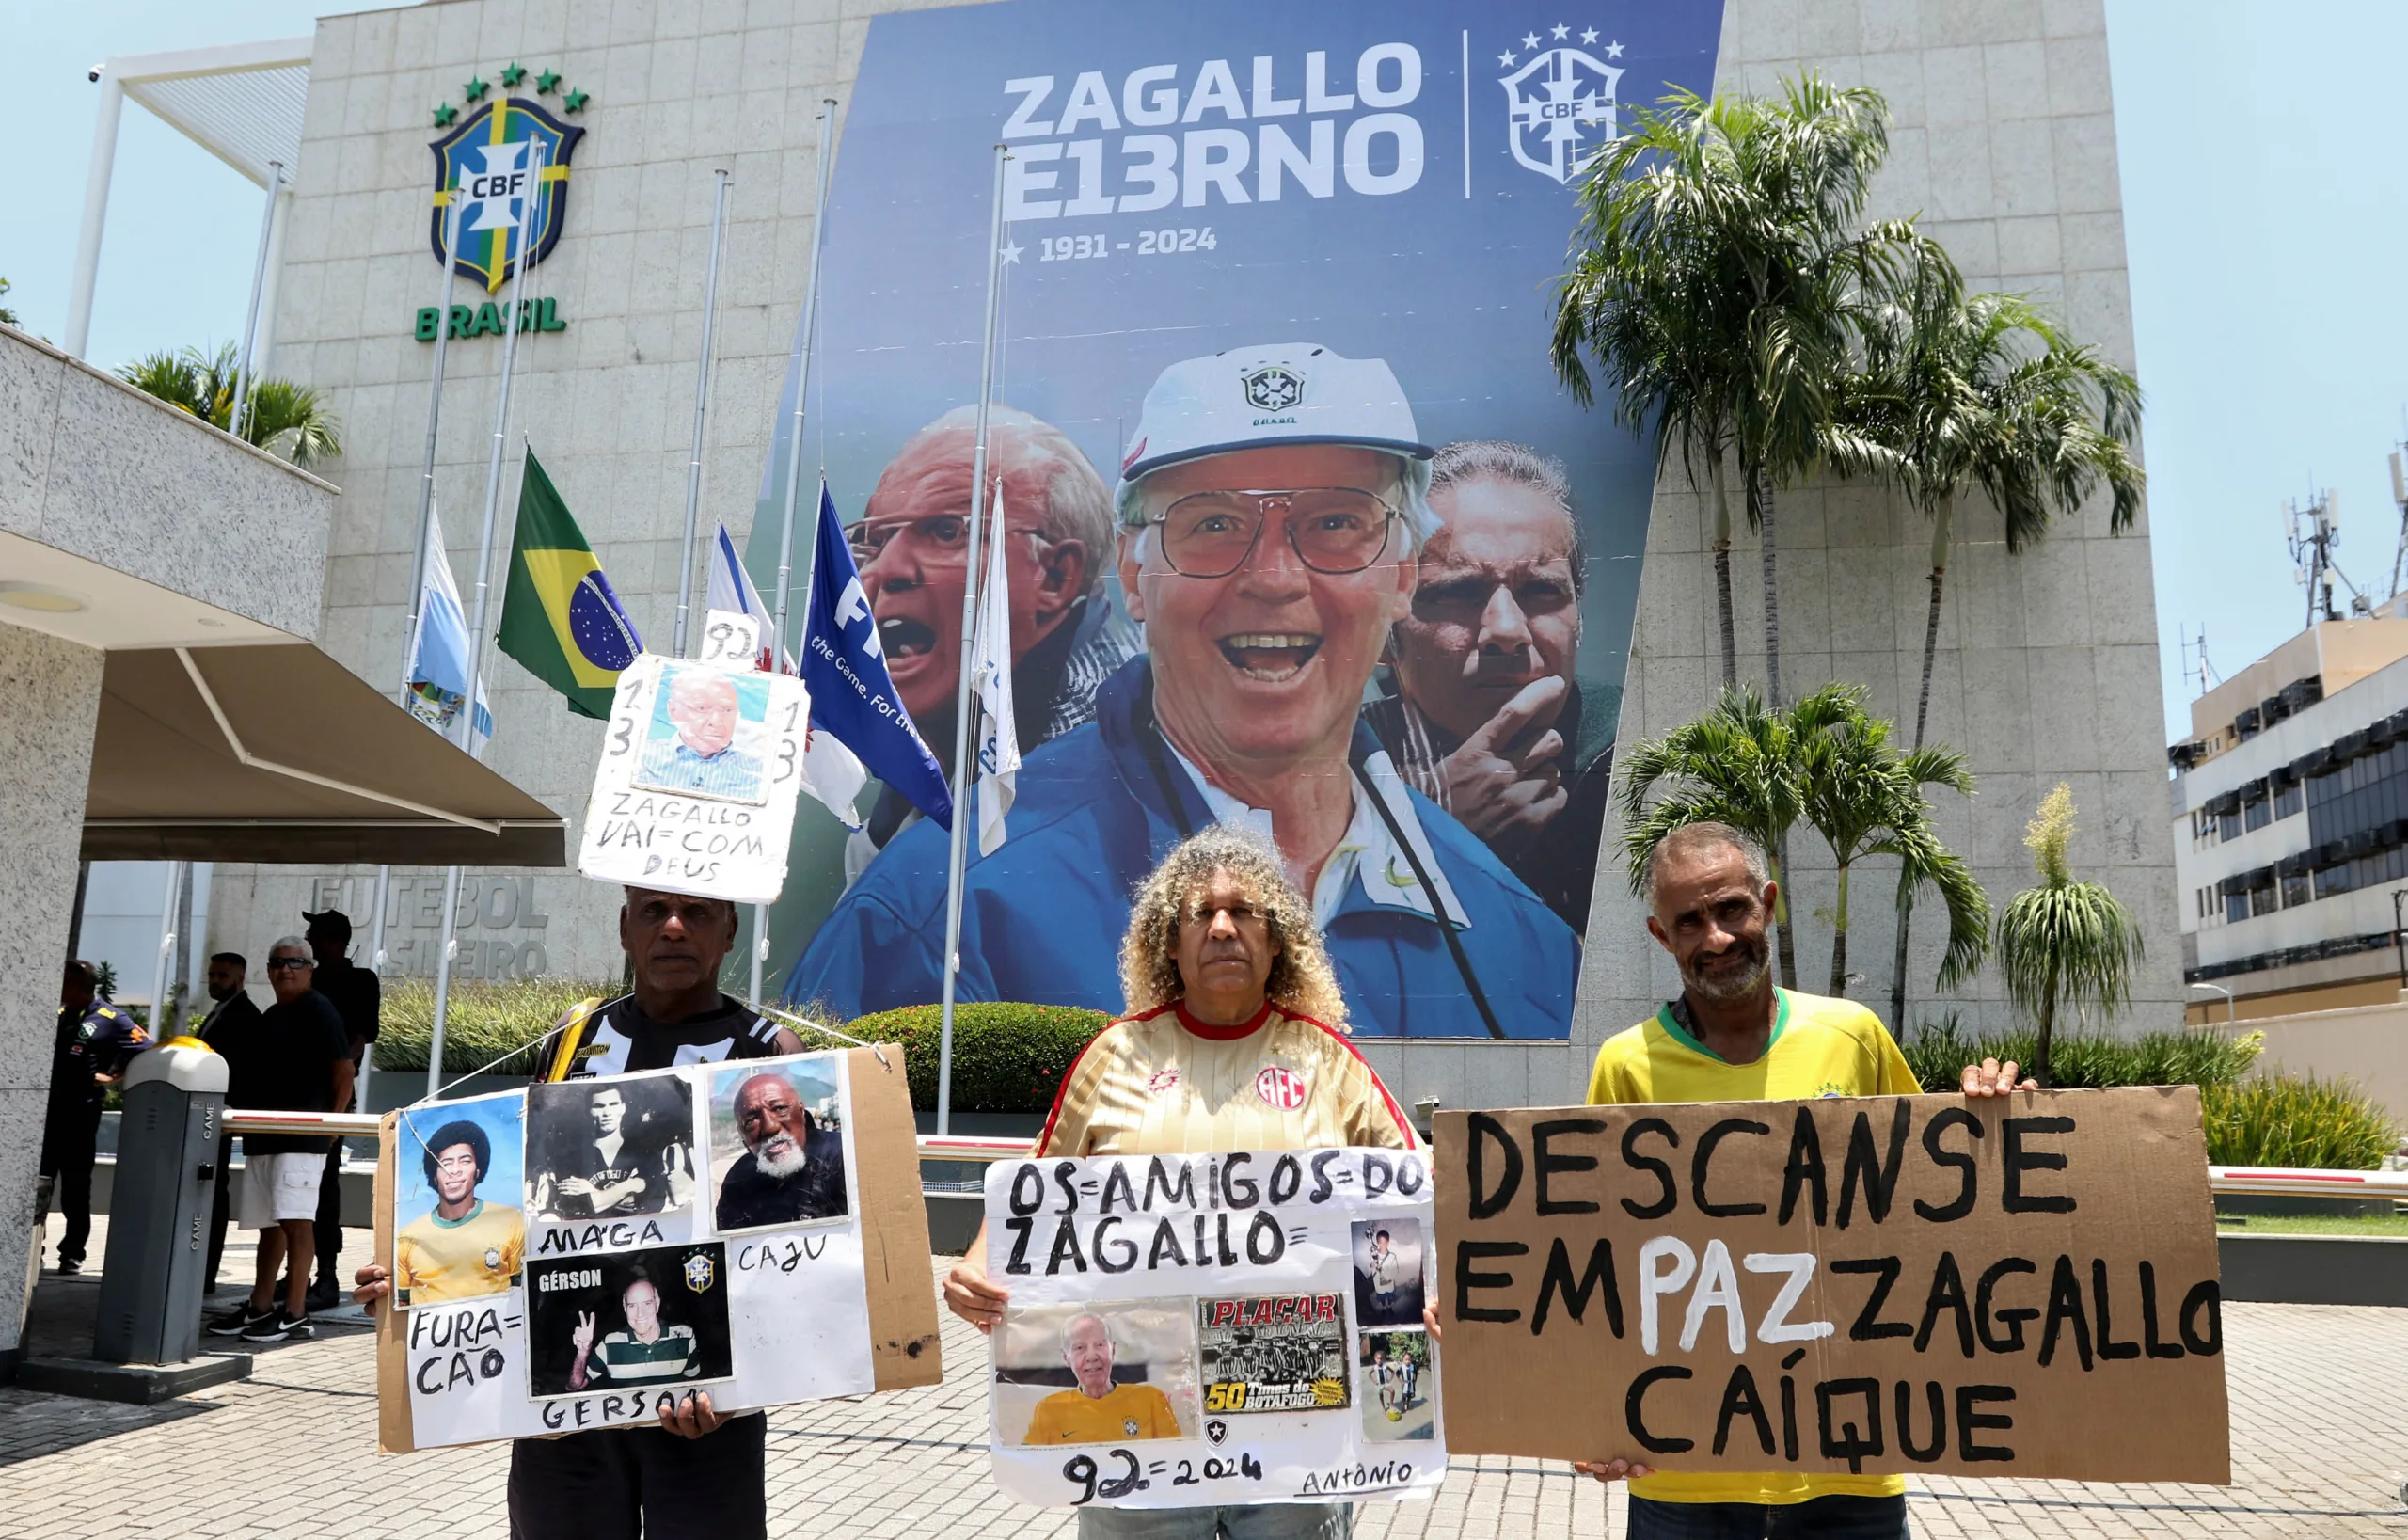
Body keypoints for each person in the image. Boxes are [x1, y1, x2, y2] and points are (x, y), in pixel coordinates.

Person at [795, 344, 1580, 1038]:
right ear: (1135, 577)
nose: (1274, 577)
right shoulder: (941, 908)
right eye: (1211, 524)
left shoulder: (1524, 948)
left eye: (1338, 523)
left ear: (1402, 576)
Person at [1545, 823, 2036, 1537]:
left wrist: (1992, 1119)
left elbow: (1930, 1205)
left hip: (1850, 1466)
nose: (1715, 937)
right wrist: (1584, 1409)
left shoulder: (1854, 1035)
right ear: (1661, 935)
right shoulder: (1626, 1067)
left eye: (1732, 909)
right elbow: (1590, 1256)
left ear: (1767, 904)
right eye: (1690, 921)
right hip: (1686, 1479)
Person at [945, 825, 1415, 1540]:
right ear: (1168, 942)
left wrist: (1431, 1290)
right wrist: (977, 1264)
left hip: (1294, 1411)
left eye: (1244, 912)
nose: (1223, 928)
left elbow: (1414, 1196)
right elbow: (1035, 1196)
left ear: (1278, 938)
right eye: (1201, 913)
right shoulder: (1113, 1057)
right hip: (1141, 1420)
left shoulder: (1330, 1063)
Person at [357, 885, 806, 1540]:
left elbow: (793, 1244)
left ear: (731, 930)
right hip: (566, 1405)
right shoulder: (576, 1035)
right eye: (654, 911)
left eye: (698, 913)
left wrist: (741, 1382)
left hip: (705, 1405)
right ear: (625, 926)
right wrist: (415, 1286)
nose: (674, 928)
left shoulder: (768, 1050)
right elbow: (524, 1206)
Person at [842, 405, 1142, 874]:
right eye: (873, 541)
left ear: (1056, 576)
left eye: (945, 531)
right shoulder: (907, 785)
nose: (885, 570)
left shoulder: (1116, 773)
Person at [1365, 440, 1619, 932]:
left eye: (1542, 590)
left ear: (1579, 620)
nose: (1506, 628)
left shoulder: (1640, 758)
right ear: (1382, 634)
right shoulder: (1319, 775)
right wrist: (1427, 833)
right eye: (1457, 591)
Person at [207, 937, 351, 1343]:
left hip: (303, 1137)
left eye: (295, 962)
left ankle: (296, 1313)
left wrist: (333, 1126)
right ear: (268, 970)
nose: (285, 969)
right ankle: (259, 1305)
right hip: (263, 1137)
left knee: (296, 1222)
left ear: (310, 968)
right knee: (269, 1224)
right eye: (278, 963)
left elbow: (344, 1071)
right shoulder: (270, 1014)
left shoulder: (320, 1009)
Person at [40, 961, 150, 1275]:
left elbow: (147, 1049)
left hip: (80, 1114)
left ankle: (73, 1252)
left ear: (76, 985)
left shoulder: (111, 1018)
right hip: (47, 1114)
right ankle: (34, 1244)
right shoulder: (58, 1013)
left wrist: (114, 1076)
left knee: (76, 1186)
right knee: (39, 1183)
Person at [302, 908, 379, 1310]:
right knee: (293, 1186)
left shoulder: (359, 981)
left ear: (332, 940)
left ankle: (327, 1274)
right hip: (297, 1096)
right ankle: (294, 1274)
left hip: (331, 1096)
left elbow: (358, 1040)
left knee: (322, 1184)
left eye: (314, 934)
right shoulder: (308, 980)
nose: (308, 938)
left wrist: (336, 1078)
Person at [395, 1117, 527, 1305]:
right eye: (445, 1164)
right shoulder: (407, 1237)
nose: (454, 1171)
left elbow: (523, 1293)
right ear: (434, 1176)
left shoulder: (511, 1220)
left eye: (465, 1161)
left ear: (478, 1171)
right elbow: (400, 1305)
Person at [195, 952, 265, 1294]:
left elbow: (239, 1070)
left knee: (211, 1191)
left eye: (222, 975)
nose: (214, 981)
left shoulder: (244, 1015)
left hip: (218, 1114)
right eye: (211, 974)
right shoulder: (221, 1011)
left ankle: (205, 1272)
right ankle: (200, 1270)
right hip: (206, 1114)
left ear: (240, 978)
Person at [1022, 1310, 1181, 1444]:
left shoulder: (1151, 1399)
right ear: (1066, 1358)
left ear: (1112, 1350)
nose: (1092, 1356)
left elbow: (1177, 1458)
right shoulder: (1049, 1409)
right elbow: (1028, 1468)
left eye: (1100, 1345)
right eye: (1080, 1348)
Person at [714, 1072, 846, 1230]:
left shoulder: (844, 1155)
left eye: (779, 1108)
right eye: (751, 1120)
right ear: (742, 1136)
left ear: (801, 1112)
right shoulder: (737, 1181)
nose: (770, 1127)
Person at [534, 1084, 681, 1218]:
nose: (607, 1113)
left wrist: (592, 1192)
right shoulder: (574, 1157)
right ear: (588, 1111)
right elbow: (572, 1206)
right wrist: (630, 1185)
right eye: (598, 1106)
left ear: (623, 1108)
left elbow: (651, 1203)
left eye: (613, 1104)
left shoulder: (644, 1153)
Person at [639, 669, 764, 802]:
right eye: (701, 708)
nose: (716, 722)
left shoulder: (759, 772)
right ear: (673, 710)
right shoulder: (640, 758)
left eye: (727, 710)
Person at [570, 1272, 703, 1390]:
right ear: (624, 1308)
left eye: (647, 1304)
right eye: (632, 1306)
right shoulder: (610, 1343)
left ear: (657, 1304)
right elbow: (575, 1386)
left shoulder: (683, 1336)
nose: (640, 1314)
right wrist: (582, 1352)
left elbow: (693, 1383)